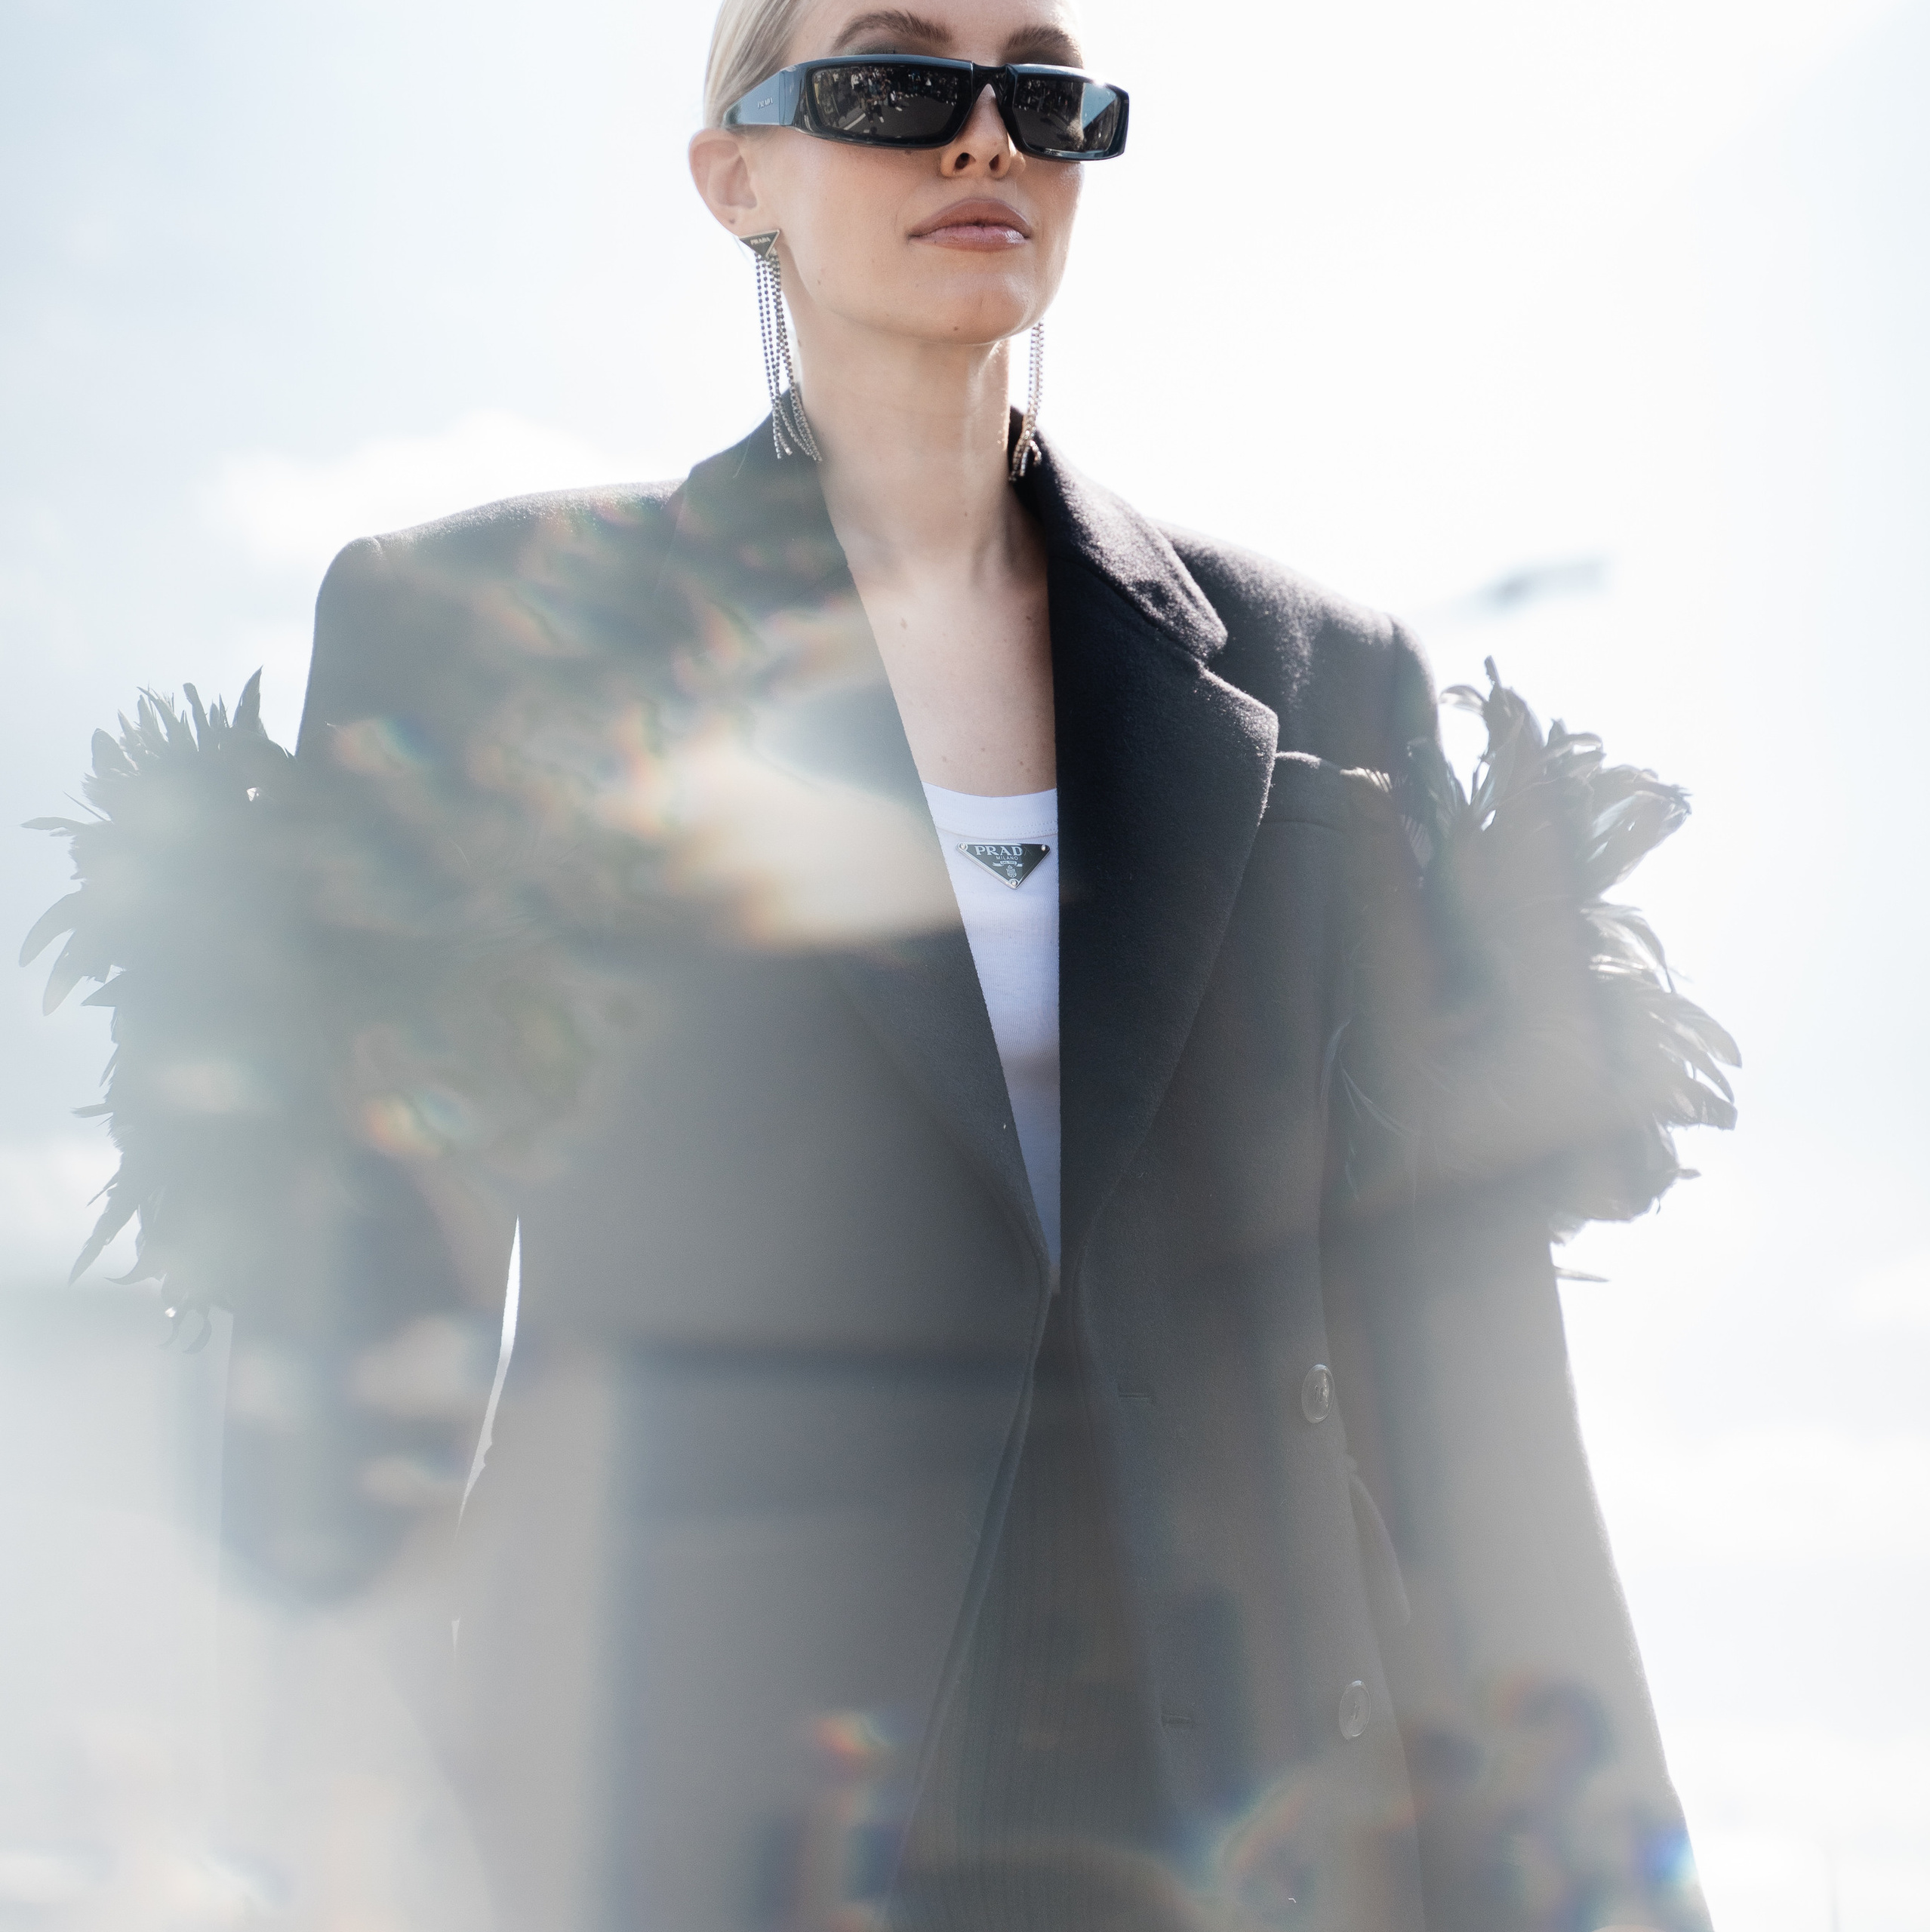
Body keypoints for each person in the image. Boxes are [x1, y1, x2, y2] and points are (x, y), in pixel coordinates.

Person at [29, 0, 1731, 1926]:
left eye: (1044, 91)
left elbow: (1473, 1406)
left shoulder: (1325, 675)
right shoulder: (481, 633)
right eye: (894, 81)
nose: (983, 138)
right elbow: (357, 1365)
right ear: (733, 175)